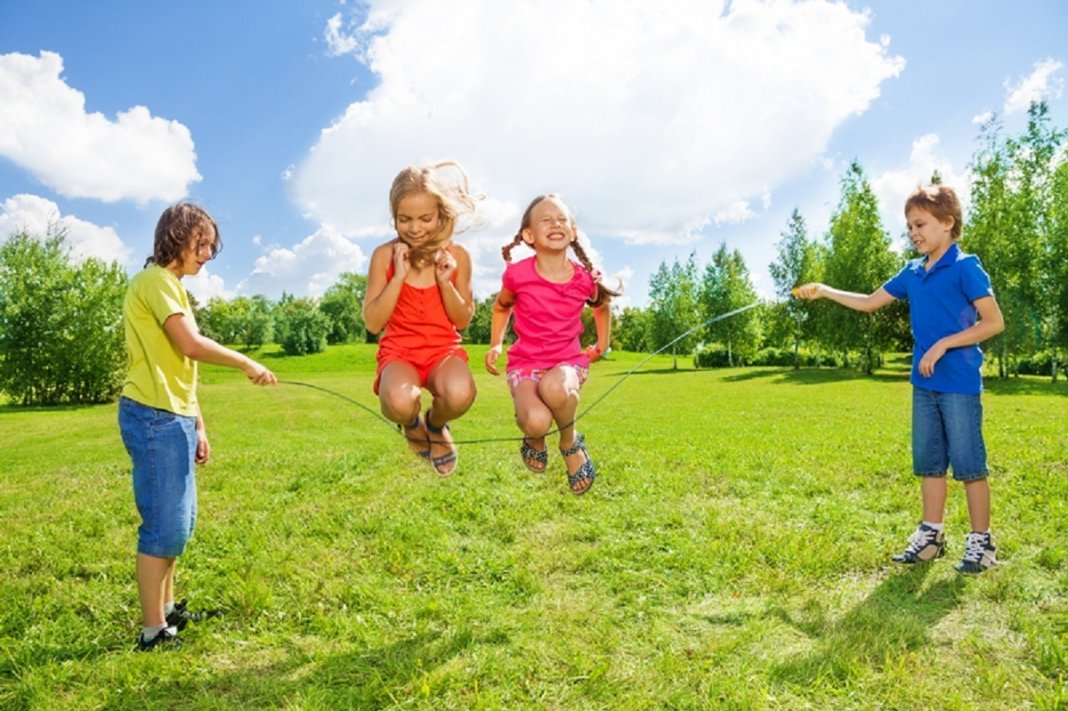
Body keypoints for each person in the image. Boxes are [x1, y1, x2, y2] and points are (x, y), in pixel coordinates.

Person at [795, 184, 1004, 574]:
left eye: (921, 224)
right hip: (923, 385)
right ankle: (932, 536)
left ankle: (982, 543)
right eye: (909, 227)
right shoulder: (913, 272)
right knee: (929, 463)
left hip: (958, 383)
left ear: (947, 222)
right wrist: (823, 290)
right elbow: (870, 302)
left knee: (969, 464)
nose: (914, 233)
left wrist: (943, 344)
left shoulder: (965, 266)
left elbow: (993, 322)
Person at [119, 203, 277, 651]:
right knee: (163, 527)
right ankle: (153, 632)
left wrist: (199, 425)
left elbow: (181, 366)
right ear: (176, 237)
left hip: (174, 416)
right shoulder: (155, 282)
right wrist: (246, 361)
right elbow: (189, 343)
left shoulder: (169, 286)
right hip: (152, 415)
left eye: (211, 245)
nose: (207, 254)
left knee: (179, 524)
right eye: (201, 243)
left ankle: (167, 611)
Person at [485, 194, 618, 495]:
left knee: (556, 387)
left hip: (568, 364)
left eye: (562, 219)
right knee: (536, 421)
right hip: (525, 364)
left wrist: (601, 346)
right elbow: (501, 306)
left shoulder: (584, 278)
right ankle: (534, 439)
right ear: (529, 235)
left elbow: (602, 306)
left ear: (572, 231)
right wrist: (496, 344)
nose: (555, 223)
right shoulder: (517, 275)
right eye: (546, 219)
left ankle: (570, 442)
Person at [363, 161, 480, 476]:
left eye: (425, 219)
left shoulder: (459, 256)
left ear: (442, 214)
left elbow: (463, 320)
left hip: (443, 351)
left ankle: (435, 423)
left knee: (460, 395)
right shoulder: (384, 256)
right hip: (399, 352)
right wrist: (397, 277)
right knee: (399, 402)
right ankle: (412, 423)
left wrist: (445, 283)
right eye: (404, 220)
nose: (414, 228)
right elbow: (373, 323)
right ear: (395, 218)